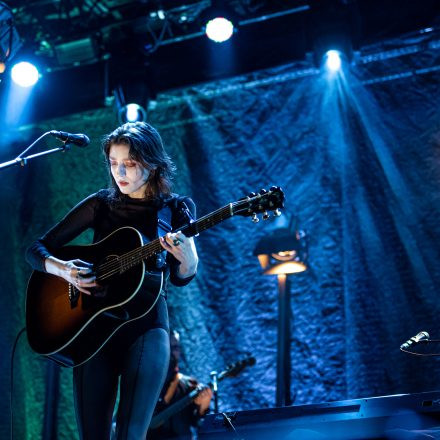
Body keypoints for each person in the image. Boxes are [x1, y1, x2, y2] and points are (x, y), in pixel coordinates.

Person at [26, 121, 199, 440]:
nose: (120, 173)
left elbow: (181, 277)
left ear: (153, 164)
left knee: (132, 435)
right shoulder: (100, 204)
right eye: (114, 163)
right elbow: (35, 250)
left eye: (130, 164)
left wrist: (189, 258)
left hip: (146, 329)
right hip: (94, 332)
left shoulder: (174, 209)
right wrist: (65, 270)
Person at [148, 331, 213, 440]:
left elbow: (199, 424)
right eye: (169, 347)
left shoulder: (189, 384)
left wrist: (203, 408)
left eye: (176, 347)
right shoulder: (147, 384)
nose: (173, 352)